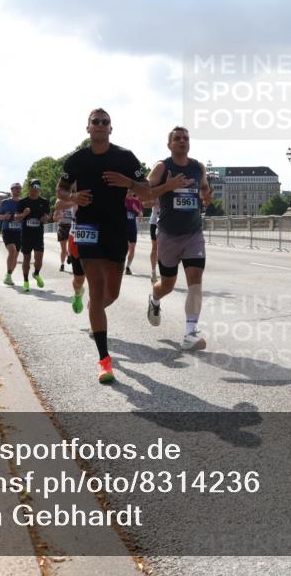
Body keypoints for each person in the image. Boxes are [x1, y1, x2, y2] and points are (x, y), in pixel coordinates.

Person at [57, 108, 185, 383]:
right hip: (88, 227)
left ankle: (94, 309)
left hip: (116, 229)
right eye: (95, 122)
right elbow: (60, 191)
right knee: (95, 285)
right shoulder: (76, 160)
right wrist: (73, 197)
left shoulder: (125, 158)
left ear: (111, 129)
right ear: (88, 128)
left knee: (110, 295)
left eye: (105, 122)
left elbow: (146, 191)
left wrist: (127, 182)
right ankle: (104, 360)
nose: (100, 125)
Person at [145, 126, 213, 351]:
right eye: (177, 139)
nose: (182, 141)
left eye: (186, 138)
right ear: (169, 145)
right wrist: (169, 186)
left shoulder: (198, 167)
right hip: (168, 235)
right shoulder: (162, 167)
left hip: (193, 234)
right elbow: (143, 195)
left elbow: (204, 189)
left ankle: (190, 333)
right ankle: (155, 298)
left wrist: (206, 195)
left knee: (195, 283)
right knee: (167, 285)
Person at [16, 179, 50, 291]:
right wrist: (24, 214)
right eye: (32, 188)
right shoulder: (23, 202)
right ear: (29, 188)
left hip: (38, 235)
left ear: (39, 189)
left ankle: (36, 274)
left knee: (39, 259)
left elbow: (47, 217)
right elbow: (16, 218)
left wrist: (45, 219)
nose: (34, 190)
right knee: (26, 259)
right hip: (26, 234)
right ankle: (26, 281)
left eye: (37, 188)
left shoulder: (44, 202)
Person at [0, 182, 23, 285]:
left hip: (19, 231)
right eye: (15, 188)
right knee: (12, 251)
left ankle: (9, 275)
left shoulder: (23, 202)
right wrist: (4, 217)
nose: (17, 190)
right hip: (7, 230)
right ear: (11, 190)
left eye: (19, 188)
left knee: (16, 255)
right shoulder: (5, 202)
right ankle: (8, 275)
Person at [123, 190, 143, 274]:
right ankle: (120, 265)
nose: (131, 193)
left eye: (132, 191)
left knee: (132, 248)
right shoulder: (122, 199)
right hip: (123, 228)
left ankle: (128, 267)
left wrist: (137, 210)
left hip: (132, 228)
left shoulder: (136, 201)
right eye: (129, 191)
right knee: (125, 248)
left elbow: (141, 216)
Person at [54, 203, 75, 272]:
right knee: (63, 249)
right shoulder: (60, 204)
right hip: (62, 226)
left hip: (71, 227)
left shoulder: (73, 204)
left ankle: (69, 256)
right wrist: (60, 216)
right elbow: (54, 218)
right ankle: (62, 264)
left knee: (72, 247)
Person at [145, 199, 160, 284]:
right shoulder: (154, 190)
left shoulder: (170, 189)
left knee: (164, 248)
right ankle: (153, 272)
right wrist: (153, 202)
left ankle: (160, 261)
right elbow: (144, 203)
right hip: (154, 223)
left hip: (166, 222)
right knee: (154, 247)